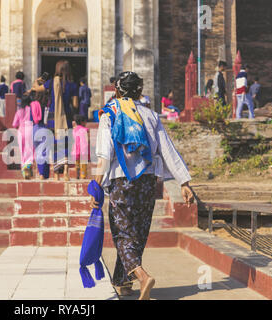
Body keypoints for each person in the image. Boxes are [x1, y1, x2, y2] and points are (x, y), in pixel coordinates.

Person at [92, 71, 194, 300]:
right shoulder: (151, 115)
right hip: (148, 181)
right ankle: (123, 281)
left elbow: (104, 156)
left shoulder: (110, 114)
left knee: (122, 234)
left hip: (121, 181)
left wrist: (96, 185)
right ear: (140, 91)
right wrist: (184, 182)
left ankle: (142, 276)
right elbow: (167, 150)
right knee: (136, 233)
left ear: (116, 90)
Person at [32, 60, 79, 181]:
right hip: (66, 118)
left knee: (54, 145)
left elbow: (35, 88)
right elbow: (75, 105)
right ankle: (66, 172)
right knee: (65, 144)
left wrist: (40, 79)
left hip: (52, 119)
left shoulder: (51, 82)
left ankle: (56, 175)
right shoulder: (73, 85)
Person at [12, 94, 37, 180]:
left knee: (22, 152)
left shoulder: (19, 111)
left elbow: (14, 124)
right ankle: (28, 167)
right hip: (30, 129)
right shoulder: (31, 109)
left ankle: (24, 171)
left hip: (21, 131)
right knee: (30, 150)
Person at [71, 114, 90, 180]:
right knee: (83, 164)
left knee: (77, 164)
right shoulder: (85, 130)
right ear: (82, 122)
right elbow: (87, 140)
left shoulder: (74, 130)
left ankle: (77, 175)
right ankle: (83, 176)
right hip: (83, 150)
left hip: (75, 150)